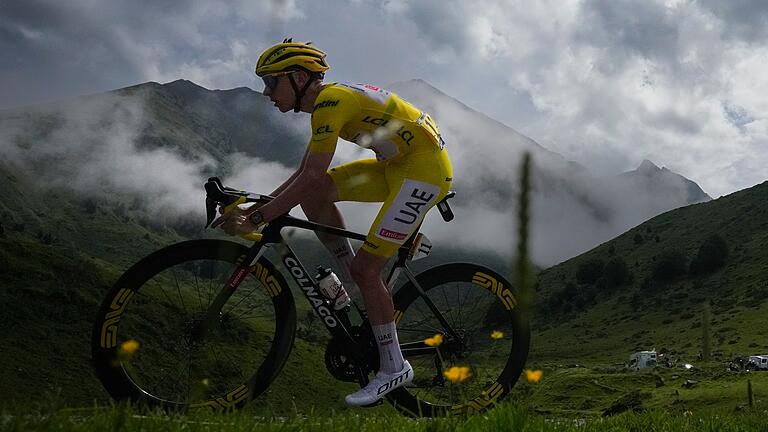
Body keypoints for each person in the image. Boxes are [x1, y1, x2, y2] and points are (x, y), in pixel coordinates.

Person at [217, 38, 453, 406]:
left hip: (424, 172)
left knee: (367, 267)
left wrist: (259, 217)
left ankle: (394, 367)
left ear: (297, 77)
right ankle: (356, 282)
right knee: (317, 194)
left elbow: (310, 174)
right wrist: (261, 205)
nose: (266, 93)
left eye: (270, 82)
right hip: (394, 165)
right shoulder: (325, 106)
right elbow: (306, 175)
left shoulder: (331, 102)